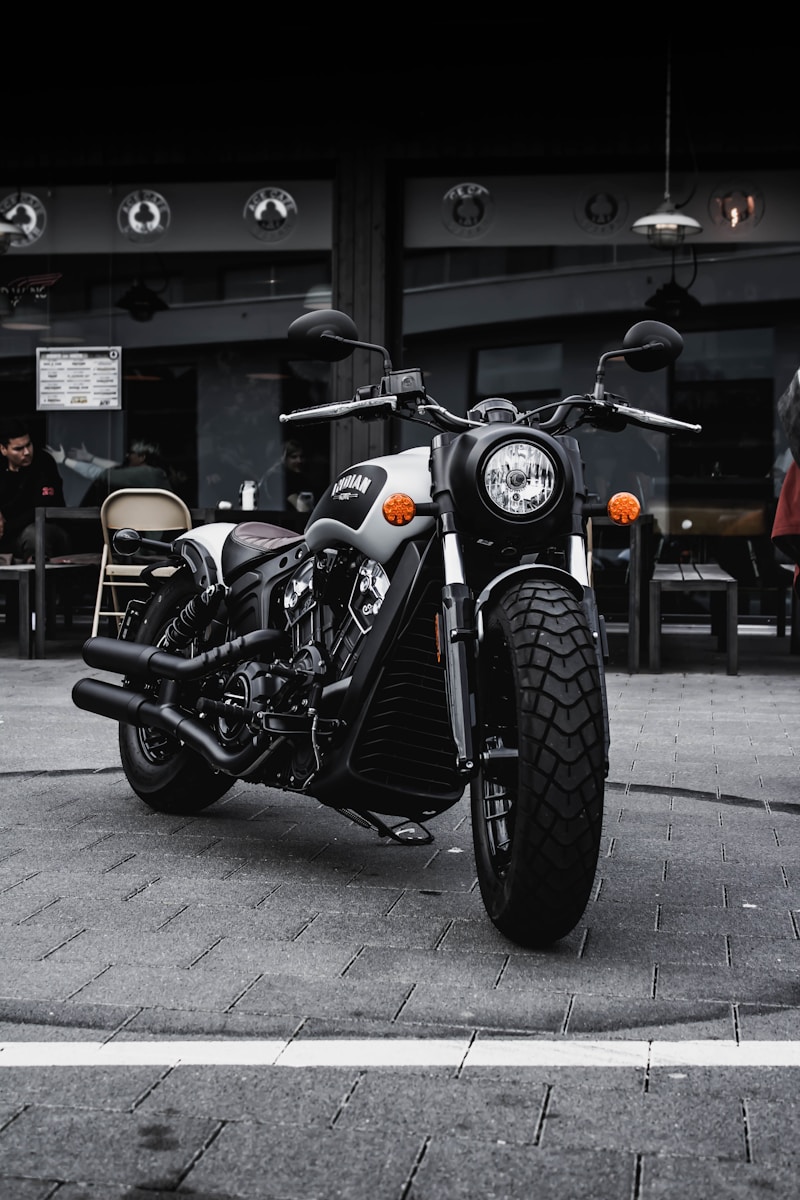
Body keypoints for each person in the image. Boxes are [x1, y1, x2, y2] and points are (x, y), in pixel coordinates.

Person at [0, 420, 70, 562]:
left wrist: (6, 526)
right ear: (3, 449)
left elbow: (43, 509)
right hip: (8, 533)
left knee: (34, 533)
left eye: (28, 445)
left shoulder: (43, 462)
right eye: (18, 449)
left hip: (45, 529)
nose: (26, 452)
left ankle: (37, 583)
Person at [48, 439, 171, 501]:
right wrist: (91, 458)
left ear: (142, 457)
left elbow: (99, 474)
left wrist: (64, 460)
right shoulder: (153, 473)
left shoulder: (146, 474)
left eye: (131, 453)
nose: (127, 456)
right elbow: (117, 468)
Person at [259, 438, 321, 512]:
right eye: (294, 457)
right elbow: (303, 509)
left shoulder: (297, 477)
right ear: (284, 458)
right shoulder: (276, 477)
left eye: (302, 457)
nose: (299, 461)